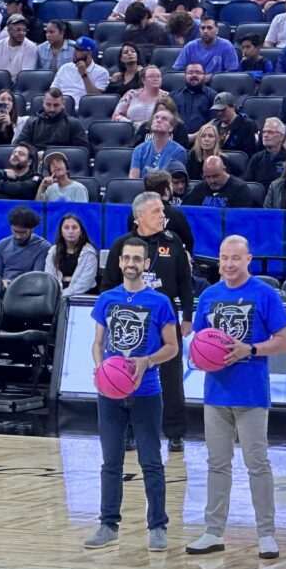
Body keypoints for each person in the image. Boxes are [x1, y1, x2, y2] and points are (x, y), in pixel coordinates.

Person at [185, 234, 286, 558]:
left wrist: (252, 348)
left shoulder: (265, 294)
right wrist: (198, 356)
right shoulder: (209, 295)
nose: (228, 264)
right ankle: (213, 531)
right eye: (224, 258)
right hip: (215, 394)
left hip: (252, 395)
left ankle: (266, 535)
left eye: (235, 258)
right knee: (217, 464)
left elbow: (284, 341)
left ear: (248, 260)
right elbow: (198, 343)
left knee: (257, 464)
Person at [82, 237, 180, 552]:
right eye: (126, 258)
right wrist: (100, 370)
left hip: (147, 390)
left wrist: (147, 360)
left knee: (151, 461)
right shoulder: (107, 299)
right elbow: (98, 343)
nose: (131, 264)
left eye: (137, 259)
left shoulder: (160, 302)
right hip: (109, 391)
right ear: (120, 262)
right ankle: (108, 524)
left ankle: (157, 527)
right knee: (111, 461)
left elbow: (173, 348)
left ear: (146, 264)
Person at [103, 193, 192, 453]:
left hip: (165, 319)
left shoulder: (173, 241)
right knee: (128, 374)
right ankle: (130, 431)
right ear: (139, 216)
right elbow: (108, 285)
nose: (162, 215)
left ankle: (175, 433)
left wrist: (187, 315)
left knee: (172, 379)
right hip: (131, 322)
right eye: (156, 211)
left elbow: (185, 281)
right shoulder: (122, 245)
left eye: (162, 211)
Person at [0, 206, 49, 286]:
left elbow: (37, 277)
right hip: (4, 286)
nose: (18, 236)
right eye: (15, 231)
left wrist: (15, 285)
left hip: (29, 288)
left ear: (32, 229)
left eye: (23, 233)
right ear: (11, 227)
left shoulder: (43, 247)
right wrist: (1, 282)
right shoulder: (1, 245)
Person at [42, 214, 98, 297]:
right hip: (56, 295)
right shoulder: (53, 252)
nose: (71, 231)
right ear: (61, 231)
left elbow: (84, 284)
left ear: (81, 231)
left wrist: (61, 295)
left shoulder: (89, 253)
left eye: (74, 227)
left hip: (83, 296)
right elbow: (49, 278)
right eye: (66, 228)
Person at [51, 37, 108, 101]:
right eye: (75, 48)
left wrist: (84, 74)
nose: (74, 52)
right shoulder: (64, 68)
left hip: (84, 108)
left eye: (79, 49)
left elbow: (95, 98)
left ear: (89, 53)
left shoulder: (101, 72)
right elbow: (53, 90)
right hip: (62, 107)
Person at [184, 157, 255, 209]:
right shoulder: (199, 188)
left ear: (224, 170)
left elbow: (243, 219)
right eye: (207, 177)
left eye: (215, 176)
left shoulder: (240, 189)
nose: (211, 181)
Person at [244, 118, 286, 186]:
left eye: (270, 132)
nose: (265, 135)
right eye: (264, 132)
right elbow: (247, 183)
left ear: (282, 136)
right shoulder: (256, 158)